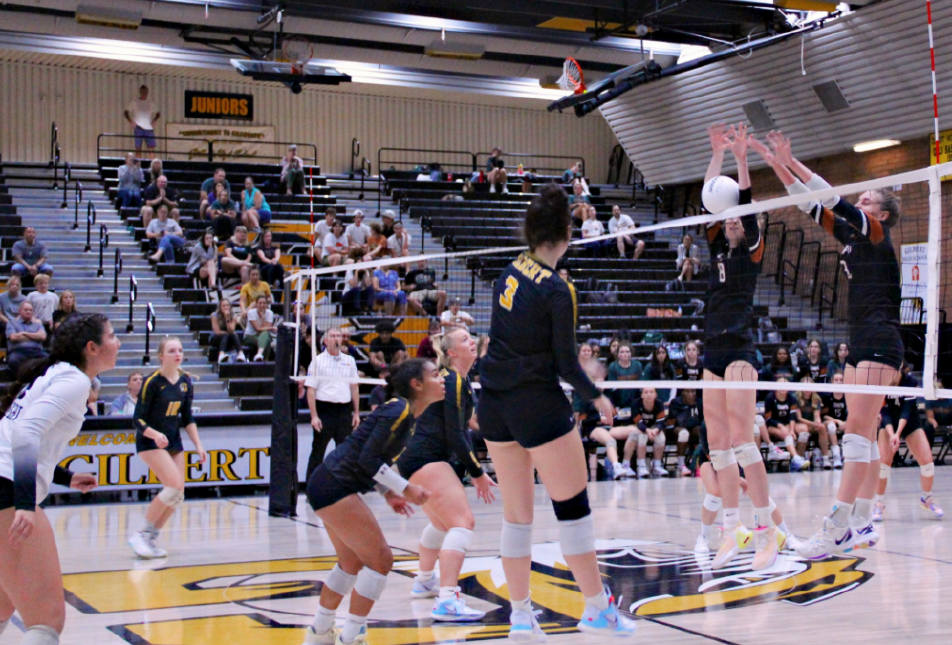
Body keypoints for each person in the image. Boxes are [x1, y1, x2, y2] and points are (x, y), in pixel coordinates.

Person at [476, 184, 635, 639]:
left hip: (494, 404)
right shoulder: (558, 288)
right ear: (568, 233)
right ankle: (595, 608)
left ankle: (521, 617)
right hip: (535, 404)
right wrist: (598, 395)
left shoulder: (509, 270)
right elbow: (566, 364)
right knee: (573, 508)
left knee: (517, 516)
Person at [750, 130, 903, 557]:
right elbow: (809, 204)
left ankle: (836, 525)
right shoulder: (854, 238)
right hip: (860, 341)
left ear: (883, 215)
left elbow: (834, 197)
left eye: (869, 199)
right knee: (865, 433)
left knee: (856, 433)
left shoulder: (875, 235)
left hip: (881, 340)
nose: (864, 202)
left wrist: (793, 156)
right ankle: (862, 522)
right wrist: (776, 160)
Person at [300, 359, 441, 645]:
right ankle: (352, 636)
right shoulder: (399, 409)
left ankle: (319, 633)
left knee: (350, 562)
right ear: (417, 384)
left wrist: (388, 493)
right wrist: (406, 488)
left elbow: (367, 459)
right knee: (381, 561)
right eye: (436, 375)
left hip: (328, 483)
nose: (442, 380)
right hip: (334, 484)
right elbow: (366, 459)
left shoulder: (407, 415)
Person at [0, 314, 117, 645]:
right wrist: (24, 502)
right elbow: (24, 431)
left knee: (5, 602)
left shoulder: (57, 375)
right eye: (112, 336)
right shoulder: (75, 381)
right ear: (92, 348)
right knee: (47, 619)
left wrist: (65, 476)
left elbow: (17, 433)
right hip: (7, 487)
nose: (118, 342)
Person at [701, 123, 781, 571]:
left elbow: (744, 204)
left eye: (737, 219)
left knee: (741, 440)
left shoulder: (750, 251)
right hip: (711, 349)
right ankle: (732, 529)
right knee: (717, 445)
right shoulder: (715, 246)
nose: (731, 220)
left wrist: (742, 158)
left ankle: (767, 531)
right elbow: (710, 199)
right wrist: (717, 155)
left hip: (740, 350)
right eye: (727, 218)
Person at [398, 330, 497, 620]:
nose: (472, 341)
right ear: (452, 352)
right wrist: (477, 472)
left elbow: (465, 424)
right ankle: (448, 599)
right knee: (463, 522)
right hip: (425, 456)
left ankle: (425, 580)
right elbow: (456, 434)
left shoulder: (460, 380)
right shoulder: (451, 379)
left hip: (417, 456)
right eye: (465, 339)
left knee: (441, 524)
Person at [128, 336, 205, 559]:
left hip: (174, 441)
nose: (177, 354)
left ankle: (151, 538)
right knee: (172, 486)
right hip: (150, 442)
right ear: (161, 355)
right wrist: (154, 434)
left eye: (180, 350)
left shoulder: (185, 382)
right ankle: (140, 534)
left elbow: (188, 418)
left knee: (178, 494)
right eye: (171, 350)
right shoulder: (152, 382)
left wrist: (199, 446)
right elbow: (137, 419)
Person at [873, 365, 943, 522]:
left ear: (900, 369)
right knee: (883, 465)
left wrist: (899, 433)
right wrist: (892, 435)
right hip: (888, 424)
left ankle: (927, 498)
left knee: (927, 463)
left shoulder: (910, 381)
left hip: (910, 422)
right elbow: (884, 413)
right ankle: (879, 503)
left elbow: (907, 409)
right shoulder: (882, 383)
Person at [305, 328, 361, 482]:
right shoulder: (318, 361)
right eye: (332, 336)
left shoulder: (349, 361)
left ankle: (342, 487)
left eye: (339, 336)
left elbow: (354, 387)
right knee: (318, 451)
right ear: (325, 340)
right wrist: (314, 416)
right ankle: (312, 487)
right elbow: (311, 390)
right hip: (325, 410)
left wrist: (356, 413)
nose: (336, 338)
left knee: (344, 452)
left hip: (344, 410)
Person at [764, 378, 809, 470]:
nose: (783, 387)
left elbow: (792, 416)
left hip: (787, 424)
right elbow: (768, 419)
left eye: (785, 385)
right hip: (773, 426)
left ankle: (798, 458)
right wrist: (780, 426)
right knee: (787, 434)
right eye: (781, 385)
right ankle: (796, 458)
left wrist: (792, 430)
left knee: (804, 430)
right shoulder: (770, 398)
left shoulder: (792, 398)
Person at [794, 376, 835, 469]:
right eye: (805, 387)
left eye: (810, 387)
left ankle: (825, 458)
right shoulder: (795, 398)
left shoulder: (816, 398)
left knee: (822, 427)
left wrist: (818, 421)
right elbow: (799, 418)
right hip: (798, 424)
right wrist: (814, 424)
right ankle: (799, 459)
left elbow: (817, 415)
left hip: (811, 424)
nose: (807, 390)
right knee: (803, 429)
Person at [629, 387, 668, 478]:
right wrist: (647, 430)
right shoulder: (635, 404)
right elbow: (638, 422)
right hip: (640, 428)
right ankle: (641, 466)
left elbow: (661, 421)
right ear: (642, 395)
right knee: (642, 437)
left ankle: (657, 466)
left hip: (654, 428)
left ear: (655, 394)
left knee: (661, 438)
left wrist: (656, 430)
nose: (649, 394)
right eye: (646, 392)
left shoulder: (659, 404)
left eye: (651, 392)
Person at [667, 388, 702, 477]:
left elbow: (701, 420)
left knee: (702, 431)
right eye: (688, 391)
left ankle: (699, 462)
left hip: (693, 428)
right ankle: (681, 464)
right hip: (677, 430)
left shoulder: (699, 402)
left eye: (693, 391)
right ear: (682, 393)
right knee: (684, 433)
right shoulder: (676, 403)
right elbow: (672, 423)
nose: (691, 394)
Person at [5, 302, 48, 374]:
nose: (28, 312)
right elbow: (13, 337)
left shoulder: (37, 323)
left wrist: (24, 333)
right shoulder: (12, 323)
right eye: (26, 310)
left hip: (36, 351)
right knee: (13, 360)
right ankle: (22, 378)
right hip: (18, 351)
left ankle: (36, 378)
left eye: (30, 310)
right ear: (20, 311)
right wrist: (35, 336)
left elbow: (43, 337)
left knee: (49, 359)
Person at [820, 370, 847, 469]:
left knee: (851, 425)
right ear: (832, 381)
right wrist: (837, 421)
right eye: (836, 380)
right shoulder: (827, 396)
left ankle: (847, 454)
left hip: (844, 423)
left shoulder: (847, 396)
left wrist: (845, 423)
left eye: (841, 380)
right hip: (830, 422)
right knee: (831, 426)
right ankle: (836, 456)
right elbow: (824, 416)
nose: (839, 382)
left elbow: (852, 413)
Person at [124, 84, 160, 158]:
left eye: (146, 92)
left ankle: (152, 165)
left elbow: (158, 113)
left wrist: (154, 120)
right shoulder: (135, 102)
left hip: (149, 128)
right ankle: (138, 165)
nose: (144, 93)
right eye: (143, 92)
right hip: (138, 128)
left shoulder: (150, 102)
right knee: (138, 149)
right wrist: (131, 121)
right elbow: (126, 112)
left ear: (147, 92)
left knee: (151, 149)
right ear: (140, 92)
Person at [209, 299, 245, 363]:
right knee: (226, 335)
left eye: (227, 305)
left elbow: (231, 330)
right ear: (220, 307)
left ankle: (240, 353)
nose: (226, 307)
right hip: (216, 338)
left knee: (234, 334)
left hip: (228, 338)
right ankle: (221, 354)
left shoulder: (234, 316)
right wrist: (227, 333)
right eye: (223, 306)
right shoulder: (214, 315)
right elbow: (217, 331)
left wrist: (227, 318)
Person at [245, 295, 276, 362]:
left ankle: (259, 356)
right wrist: (263, 319)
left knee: (265, 336)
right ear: (256, 304)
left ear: (266, 304)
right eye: (260, 303)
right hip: (250, 336)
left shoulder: (270, 313)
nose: (262, 305)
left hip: (263, 335)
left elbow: (266, 329)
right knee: (266, 339)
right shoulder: (251, 312)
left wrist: (265, 320)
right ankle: (265, 362)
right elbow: (258, 329)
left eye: (264, 303)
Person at [0, 276, 26, 344]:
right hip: (5, 321)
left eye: (17, 285)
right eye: (12, 284)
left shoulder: (24, 299)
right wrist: (9, 322)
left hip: (19, 321)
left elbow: (22, 314)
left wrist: (15, 322)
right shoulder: (1, 297)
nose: (14, 286)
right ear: (8, 286)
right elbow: (0, 314)